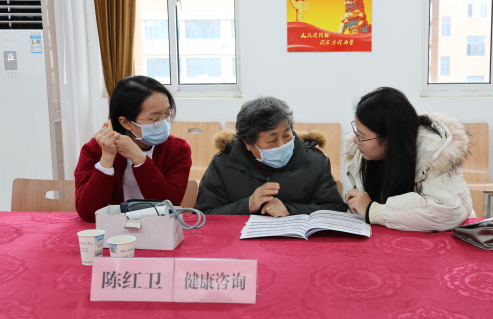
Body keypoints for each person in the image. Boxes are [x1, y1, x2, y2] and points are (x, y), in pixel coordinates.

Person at [344, 87, 474, 231]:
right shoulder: (362, 153)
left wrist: (372, 210)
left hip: (445, 235)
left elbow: (448, 212)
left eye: (361, 136)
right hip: (392, 233)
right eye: (356, 132)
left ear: (391, 137)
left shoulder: (435, 153)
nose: (355, 141)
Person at [195, 96, 348, 215]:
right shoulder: (224, 164)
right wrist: (247, 205)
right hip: (241, 243)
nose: (282, 145)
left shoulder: (315, 161)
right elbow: (204, 214)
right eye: (272, 141)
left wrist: (291, 210)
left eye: (287, 135)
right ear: (247, 143)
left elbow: (334, 209)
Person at [74, 76, 192, 222]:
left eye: (167, 114)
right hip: (114, 229)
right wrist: (107, 159)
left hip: (159, 228)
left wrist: (140, 159)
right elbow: (89, 214)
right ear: (126, 123)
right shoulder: (95, 149)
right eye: (155, 119)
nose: (164, 122)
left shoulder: (178, 149)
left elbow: (169, 206)